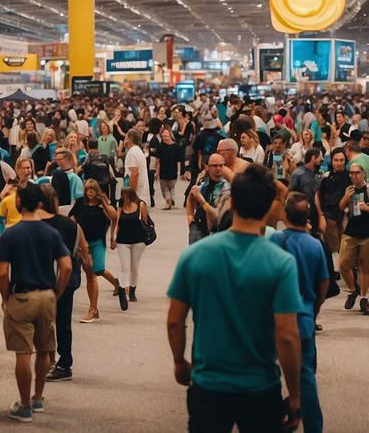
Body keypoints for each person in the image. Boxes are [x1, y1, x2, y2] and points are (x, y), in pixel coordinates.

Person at [167, 164, 303, 432]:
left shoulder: (195, 255)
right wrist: (296, 394)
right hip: (260, 386)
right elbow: (287, 335)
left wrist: (179, 361)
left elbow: (175, 320)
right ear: (268, 208)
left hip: (208, 383)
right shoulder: (282, 263)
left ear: (231, 201)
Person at [0, 184, 71, 422]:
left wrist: (5, 298)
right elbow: (66, 266)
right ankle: (38, 397)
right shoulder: (51, 233)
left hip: (22, 295)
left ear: (18, 203)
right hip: (46, 295)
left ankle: (24, 405)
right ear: (40, 203)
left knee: (23, 352)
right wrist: (56, 292)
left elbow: (2, 272)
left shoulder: (10, 234)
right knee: (45, 347)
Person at [269, 193, 329, 432]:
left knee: (270, 371)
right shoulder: (315, 245)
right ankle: (313, 426)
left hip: (275, 318)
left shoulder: (275, 240)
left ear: (284, 216)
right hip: (303, 318)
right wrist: (314, 309)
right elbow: (323, 283)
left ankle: (271, 418)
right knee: (306, 375)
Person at [34, 183, 87, 383]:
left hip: (42, 279)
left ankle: (48, 359)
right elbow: (80, 251)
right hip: (67, 279)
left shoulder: (36, 224)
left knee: (42, 323)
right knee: (63, 323)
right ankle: (64, 363)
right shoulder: (70, 224)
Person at [69, 180, 121, 323]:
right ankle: (93, 310)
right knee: (90, 274)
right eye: (87, 189)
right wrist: (76, 239)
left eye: (93, 189)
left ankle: (116, 285)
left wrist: (104, 203)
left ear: (97, 190)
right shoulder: (80, 203)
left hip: (98, 242)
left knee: (98, 270)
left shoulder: (102, 204)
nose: (90, 192)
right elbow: (72, 219)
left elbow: (114, 217)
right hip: (83, 243)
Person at [339, 161, 369, 316]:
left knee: (366, 267)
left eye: (357, 173)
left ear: (363, 174)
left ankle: (364, 297)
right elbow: (341, 207)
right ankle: (353, 290)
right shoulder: (349, 190)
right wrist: (346, 197)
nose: (353, 176)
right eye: (351, 173)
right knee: (343, 264)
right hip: (350, 232)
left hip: (368, 233)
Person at [112, 187, 149, 307]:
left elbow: (145, 221)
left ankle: (132, 290)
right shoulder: (120, 205)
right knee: (124, 267)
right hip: (122, 240)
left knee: (134, 266)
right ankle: (124, 291)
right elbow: (117, 222)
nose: (123, 198)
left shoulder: (141, 204)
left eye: (124, 195)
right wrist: (114, 238)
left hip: (138, 241)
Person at [155, 127, 182, 210]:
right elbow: (179, 161)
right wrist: (179, 172)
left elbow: (158, 161)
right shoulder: (175, 146)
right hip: (169, 171)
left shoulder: (161, 146)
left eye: (166, 135)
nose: (164, 137)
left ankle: (168, 200)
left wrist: (157, 172)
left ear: (170, 135)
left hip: (167, 171)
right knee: (171, 187)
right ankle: (171, 198)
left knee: (165, 188)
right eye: (163, 135)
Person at [123, 129, 151, 206]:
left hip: (137, 195)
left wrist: (131, 195)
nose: (124, 140)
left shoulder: (132, 152)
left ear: (130, 138)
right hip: (141, 194)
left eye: (125, 138)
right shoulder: (137, 150)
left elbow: (134, 174)